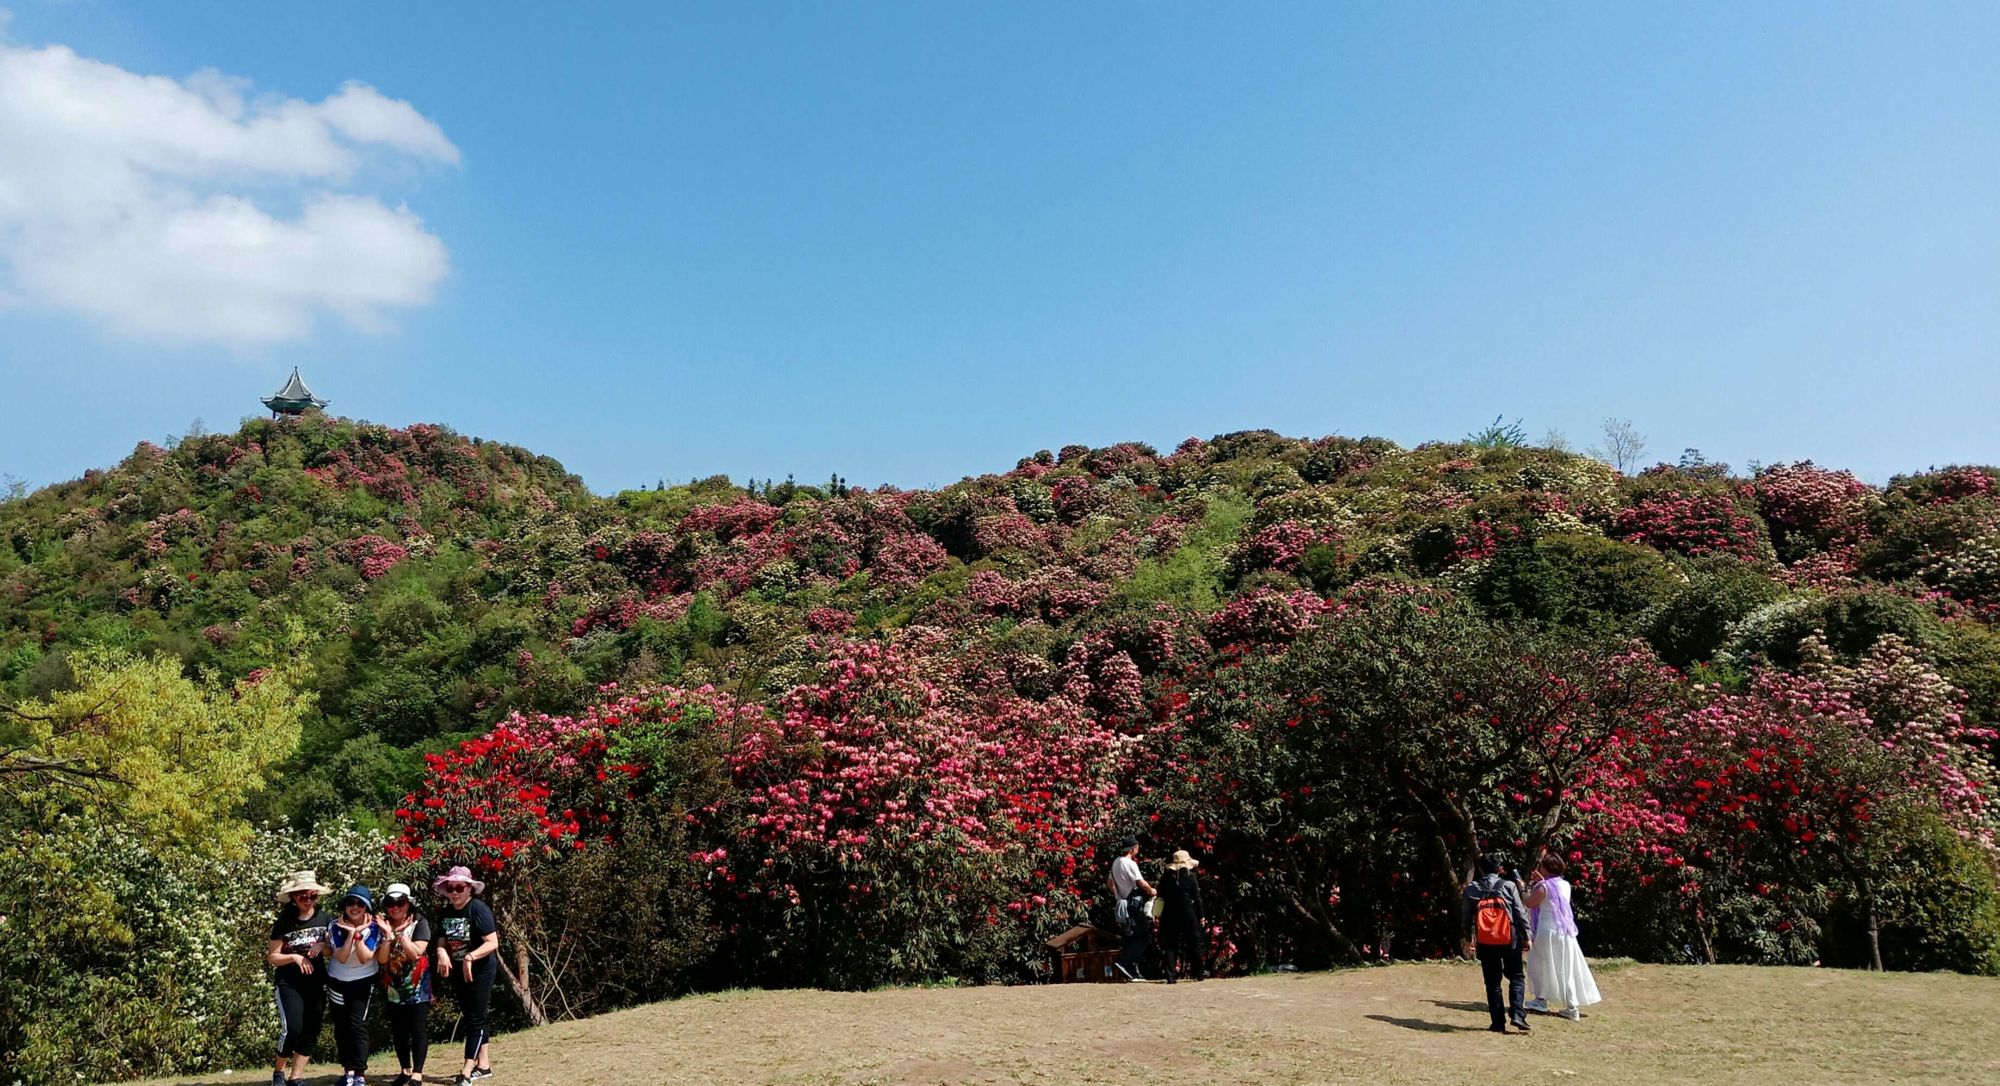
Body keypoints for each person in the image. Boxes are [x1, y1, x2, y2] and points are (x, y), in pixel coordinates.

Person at [434, 866, 500, 1086]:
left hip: (480, 969)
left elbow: (492, 942)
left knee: (475, 1018)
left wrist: (471, 957)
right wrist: (442, 953)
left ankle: (467, 1070)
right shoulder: (446, 912)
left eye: (459, 888)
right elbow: (442, 941)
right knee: (472, 1015)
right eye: (450, 888)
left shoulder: (478, 909)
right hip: (459, 969)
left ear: (469, 889)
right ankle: (484, 1066)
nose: (454, 892)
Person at [268, 871, 334, 1086]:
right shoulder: (284, 922)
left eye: (312, 896)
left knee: (311, 1029)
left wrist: (323, 945)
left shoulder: (325, 919)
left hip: (316, 982)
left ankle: (296, 1076)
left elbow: (332, 950)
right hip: (289, 983)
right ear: (294, 897)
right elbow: (273, 957)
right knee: (293, 1028)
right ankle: (279, 1072)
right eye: (302, 896)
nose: (308, 900)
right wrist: (294, 957)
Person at [1461, 854, 1534, 1034]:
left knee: (1492, 982)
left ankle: (1497, 1022)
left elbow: (1466, 917)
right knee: (1516, 976)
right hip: (1510, 938)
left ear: (1481, 869)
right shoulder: (1508, 886)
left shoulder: (1472, 888)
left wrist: (1468, 938)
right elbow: (1519, 913)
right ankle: (1517, 1014)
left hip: (1485, 940)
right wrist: (1527, 936)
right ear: (1499, 869)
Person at [1525, 855, 1601, 1021]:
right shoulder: (1565, 885)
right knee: (1565, 968)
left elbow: (1530, 902)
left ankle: (1540, 999)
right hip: (1564, 931)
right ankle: (1571, 1006)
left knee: (1539, 964)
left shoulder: (1543, 886)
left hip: (1547, 930)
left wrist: (1523, 887)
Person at [326, 885, 386, 1086]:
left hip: (363, 981)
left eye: (360, 904)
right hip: (337, 980)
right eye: (351, 903)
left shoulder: (375, 927)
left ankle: (359, 1073)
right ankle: (348, 1071)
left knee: (357, 1025)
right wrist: (350, 933)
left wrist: (359, 934)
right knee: (341, 1028)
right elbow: (342, 957)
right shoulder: (335, 926)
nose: (355, 907)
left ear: (367, 907)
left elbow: (364, 957)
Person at [378, 883, 434, 1086]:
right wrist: (387, 936)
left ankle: (417, 1073)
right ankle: (405, 1070)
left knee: (417, 1028)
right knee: (398, 1030)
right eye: (390, 903)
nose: (395, 908)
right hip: (393, 984)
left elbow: (415, 953)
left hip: (418, 984)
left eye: (400, 903)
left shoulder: (420, 922)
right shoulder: (383, 924)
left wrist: (400, 934)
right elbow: (382, 959)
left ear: (408, 904)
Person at [1107, 836, 1156, 982]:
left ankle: (1131, 970)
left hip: (1123, 902)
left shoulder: (1116, 863)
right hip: (1133, 903)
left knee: (1131, 935)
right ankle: (1126, 963)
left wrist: (1118, 895)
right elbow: (1140, 882)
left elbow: (1109, 883)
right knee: (1143, 935)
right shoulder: (1130, 863)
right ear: (1133, 848)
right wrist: (1151, 890)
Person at [1156, 849, 1206, 983]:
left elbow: (1160, 896)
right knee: (1194, 942)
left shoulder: (1166, 878)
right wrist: (1201, 915)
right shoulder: (1190, 878)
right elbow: (1197, 898)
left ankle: (1170, 975)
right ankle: (1199, 972)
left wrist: (1157, 913)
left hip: (1169, 912)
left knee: (1170, 944)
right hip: (1187, 912)